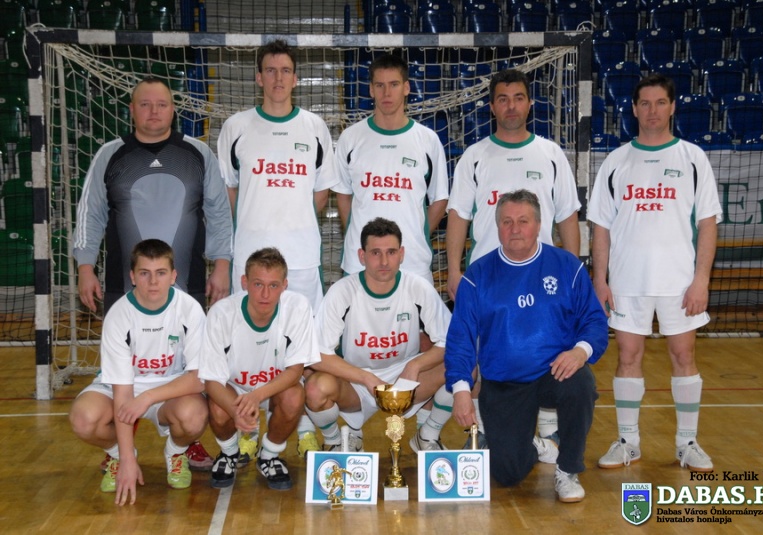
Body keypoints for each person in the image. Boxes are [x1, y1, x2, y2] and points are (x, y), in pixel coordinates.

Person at [72, 76, 232, 471]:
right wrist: (85, 267)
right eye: (145, 104)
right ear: (132, 110)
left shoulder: (197, 153)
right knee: (124, 369)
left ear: (173, 109)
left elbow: (218, 213)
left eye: (161, 104)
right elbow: (90, 214)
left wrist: (222, 264)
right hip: (123, 289)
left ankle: (185, 443)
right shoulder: (111, 155)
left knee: (190, 377)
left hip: (187, 287)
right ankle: (120, 452)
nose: (154, 111)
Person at [587, 74, 722, 473]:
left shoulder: (693, 158)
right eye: (644, 103)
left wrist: (701, 280)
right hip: (627, 282)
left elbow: (708, 224)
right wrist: (600, 280)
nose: (652, 111)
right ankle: (628, 442)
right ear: (633, 109)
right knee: (628, 356)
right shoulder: (616, 162)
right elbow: (600, 227)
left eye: (660, 102)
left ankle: (687, 443)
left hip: (680, 282)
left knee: (684, 355)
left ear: (673, 106)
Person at [446, 69, 582, 456]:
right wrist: (454, 270)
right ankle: (483, 432)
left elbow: (567, 216)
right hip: (489, 282)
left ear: (530, 104)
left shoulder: (550, 154)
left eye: (518, 98)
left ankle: (551, 434)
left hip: (542, 279)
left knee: (548, 349)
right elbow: (458, 215)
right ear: (492, 106)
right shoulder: (475, 157)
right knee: (483, 356)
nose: (511, 106)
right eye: (503, 99)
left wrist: (572, 273)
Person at [445, 190, 608, 503]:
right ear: (497, 227)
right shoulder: (478, 275)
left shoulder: (566, 266)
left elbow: (594, 321)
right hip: (504, 382)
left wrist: (580, 351)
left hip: (553, 371)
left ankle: (568, 469)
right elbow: (460, 337)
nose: (515, 229)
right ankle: (532, 444)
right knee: (508, 473)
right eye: (507, 222)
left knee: (580, 384)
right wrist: (462, 391)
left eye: (523, 221)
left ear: (539, 225)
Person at [216, 38, 337, 461]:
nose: (278, 78)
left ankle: (300, 427)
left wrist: (294, 222)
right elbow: (229, 193)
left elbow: (321, 193)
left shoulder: (315, 127)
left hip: (301, 260)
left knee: (301, 350)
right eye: (270, 70)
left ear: (296, 79)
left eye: (285, 71)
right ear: (258, 77)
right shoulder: (236, 128)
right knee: (249, 346)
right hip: (250, 259)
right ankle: (248, 425)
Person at [69, 239, 208, 505]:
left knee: (195, 416)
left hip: (170, 389)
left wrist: (147, 397)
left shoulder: (189, 309)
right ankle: (119, 456)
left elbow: (198, 379)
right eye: (145, 273)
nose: (153, 282)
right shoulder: (119, 315)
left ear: (173, 276)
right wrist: (127, 459)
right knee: (84, 418)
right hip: (123, 387)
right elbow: (123, 393)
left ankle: (175, 453)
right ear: (132, 277)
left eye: (161, 273)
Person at [305, 218, 453, 453]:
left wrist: (415, 365)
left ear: (401, 254)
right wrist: (365, 378)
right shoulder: (343, 291)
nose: (384, 261)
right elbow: (316, 355)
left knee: (464, 366)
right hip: (356, 383)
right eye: (375, 253)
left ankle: (427, 435)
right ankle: (336, 441)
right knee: (315, 388)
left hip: (405, 379)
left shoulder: (417, 287)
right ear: (362, 256)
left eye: (391, 252)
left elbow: (451, 341)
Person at [199, 248, 320, 490]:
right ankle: (230, 453)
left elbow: (295, 371)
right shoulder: (221, 314)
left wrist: (256, 396)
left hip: (274, 388)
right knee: (218, 405)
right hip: (235, 389)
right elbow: (211, 381)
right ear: (244, 282)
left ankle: (269, 455)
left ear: (285, 285)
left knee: (295, 395)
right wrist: (236, 412)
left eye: (273, 285)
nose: (265, 294)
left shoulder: (297, 308)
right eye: (258, 284)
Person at [333, 53, 449, 284]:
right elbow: (343, 196)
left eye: (394, 84)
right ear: (371, 90)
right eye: (380, 85)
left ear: (406, 88)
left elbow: (439, 199)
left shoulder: (427, 140)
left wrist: (416, 233)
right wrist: (360, 237)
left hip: (412, 262)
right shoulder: (350, 138)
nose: (386, 93)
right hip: (360, 263)